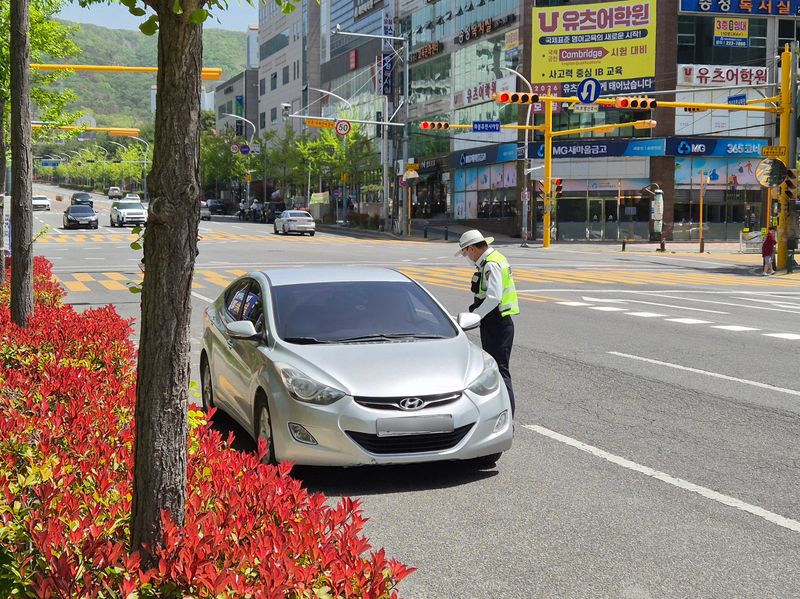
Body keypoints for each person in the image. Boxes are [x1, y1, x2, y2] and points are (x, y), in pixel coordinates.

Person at [457, 229, 519, 415]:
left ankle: (508, 417)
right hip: (496, 323)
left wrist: (475, 316)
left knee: (499, 372)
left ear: (473, 249)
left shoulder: (491, 265)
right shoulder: (492, 260)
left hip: (497, 324)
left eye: (465, 252)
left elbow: (493, 298)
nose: (466, 256)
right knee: (497, 370)